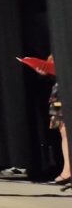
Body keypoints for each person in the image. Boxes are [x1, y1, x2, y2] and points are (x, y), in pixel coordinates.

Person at [34, 57, 69, 185]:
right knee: (64, 131)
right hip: (60, 91)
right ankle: (67, 170)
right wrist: (45, 72)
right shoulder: (56, 52)